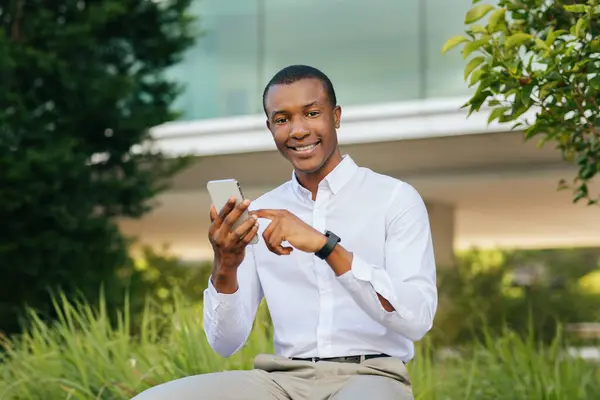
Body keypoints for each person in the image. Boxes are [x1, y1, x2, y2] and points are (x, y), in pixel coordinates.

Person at [133, 65, 438, 400]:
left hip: (372, 377)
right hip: (283, 382)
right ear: (270, 127)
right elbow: (225, 343)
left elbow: (417, 319)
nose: (298, 130)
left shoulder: (394, 198)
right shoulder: (261, 213)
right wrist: (225, 265)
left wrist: (326, 246)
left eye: (311, 113)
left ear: (335, 116)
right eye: (282, 119)